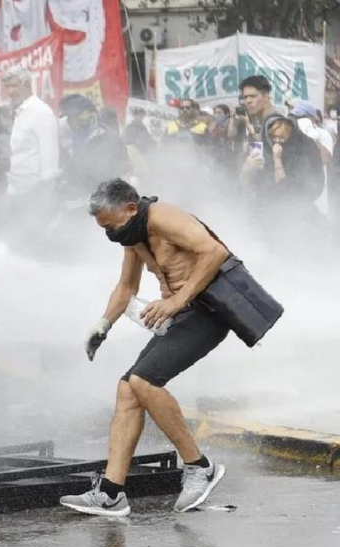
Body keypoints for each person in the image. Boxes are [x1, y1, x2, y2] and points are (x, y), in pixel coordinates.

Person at [62, 178, 247, 516]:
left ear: (130, 208)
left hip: (208, 310)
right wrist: (102, 325)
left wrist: (175, 301)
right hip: (183, 313)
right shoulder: (133, 234)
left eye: (112, 225)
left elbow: (215, 252)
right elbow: (126, 286)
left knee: (144, 381)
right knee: (127, 388)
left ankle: (200, 466)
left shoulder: (162, 217)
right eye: (104, 229)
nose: (110, 235)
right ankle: (111, 493)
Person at [244, 114, 325, 208]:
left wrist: (277, 159)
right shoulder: (259, 151)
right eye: (273, 137)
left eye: (282, 138)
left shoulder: (299, 157)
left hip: (291, 210)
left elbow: (285, 191)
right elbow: (249, 185)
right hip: (263, 209)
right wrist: (246, 168)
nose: (277, 141)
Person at [2, 67, 59, 199]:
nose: (10, 92)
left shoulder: (41, 112)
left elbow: (49, 156)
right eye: (8, 87)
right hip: (13, 190)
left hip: (33, 192)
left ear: (27, 84)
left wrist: (44, 193)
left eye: (14, 86)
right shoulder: (16, 111)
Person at [57, 94, 130, 198]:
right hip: (79, 205)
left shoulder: (110, 141)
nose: (69, 122)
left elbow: (122, 175)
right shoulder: (78, 141)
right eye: (68, 118)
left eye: (72, 117)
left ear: (87, 113)